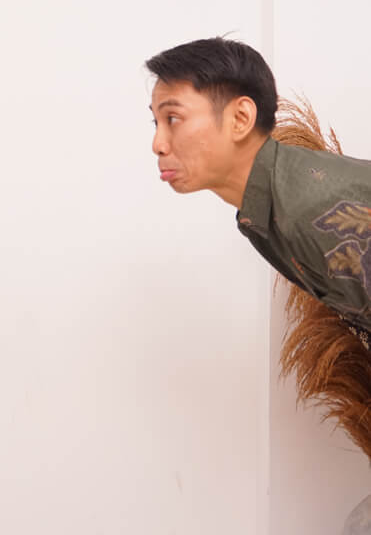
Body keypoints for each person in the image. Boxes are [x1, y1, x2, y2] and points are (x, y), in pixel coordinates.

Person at [146, 36, 371, 346]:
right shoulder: (261, 214)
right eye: (156, 122)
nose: (158, 144)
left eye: (173, 119)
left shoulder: (307, 209)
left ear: (241, 119)